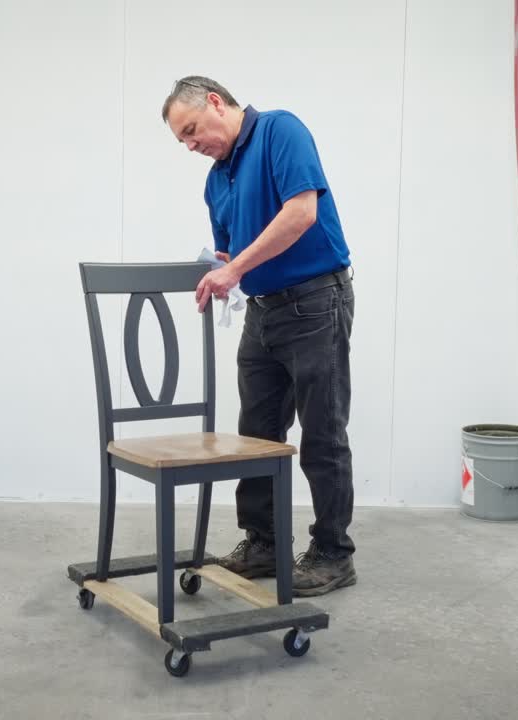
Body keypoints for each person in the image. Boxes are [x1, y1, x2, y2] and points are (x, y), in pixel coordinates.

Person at [161, 76, 357, 597]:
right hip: (264, 313)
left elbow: (301, 213)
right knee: (256, 435)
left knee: (322, 433)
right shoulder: (215, 180)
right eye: (182, 140)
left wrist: (236, 268)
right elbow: (235, 254)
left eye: (192, 129)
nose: (190, 145)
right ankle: (265, 541)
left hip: (316, 302)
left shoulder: (279, 131)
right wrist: (219, 267)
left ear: (216, 103)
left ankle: (333, 553)